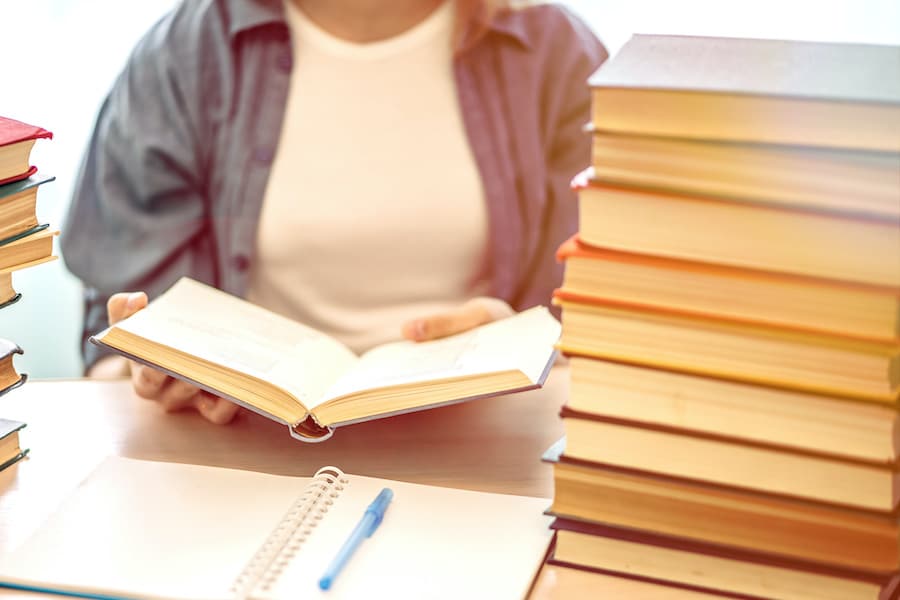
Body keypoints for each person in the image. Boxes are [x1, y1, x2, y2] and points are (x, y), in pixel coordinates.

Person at [62, 0, 607, 425]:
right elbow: (116, 328)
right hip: (239, 447)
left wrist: (519, 340)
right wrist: (152, 369)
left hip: (491, 439)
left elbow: (606, 327)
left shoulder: (557, 54)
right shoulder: (183, 53)